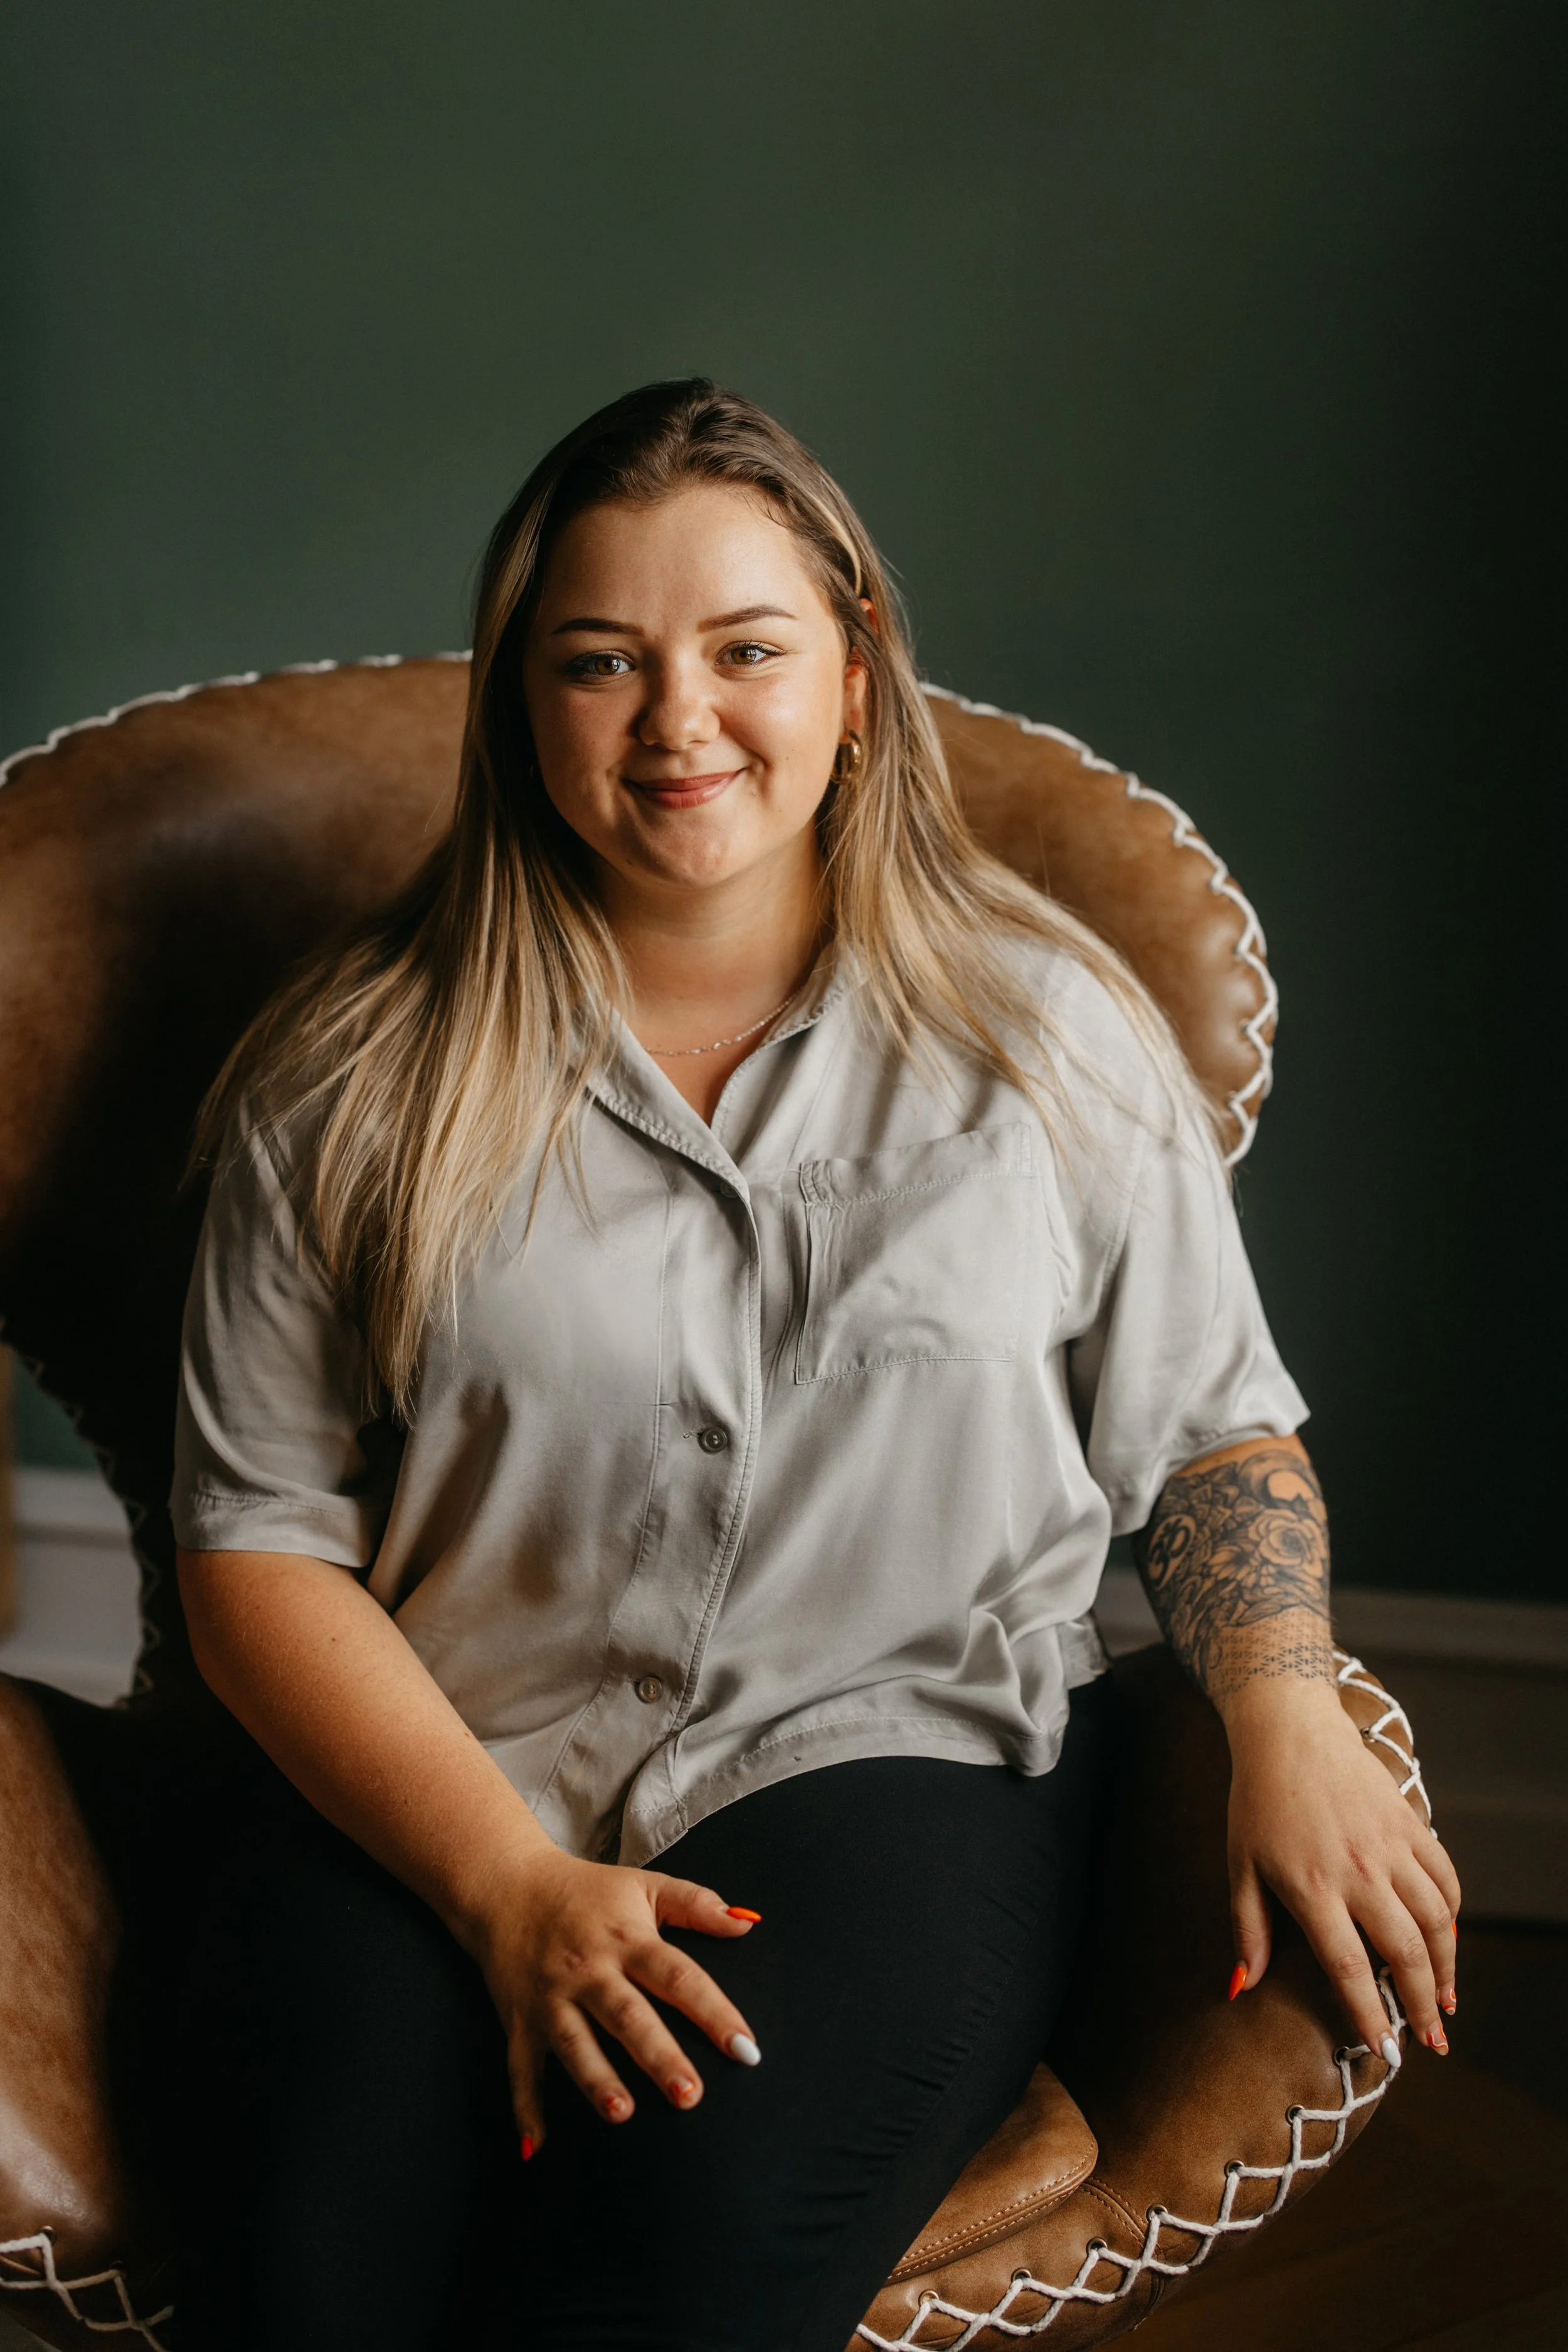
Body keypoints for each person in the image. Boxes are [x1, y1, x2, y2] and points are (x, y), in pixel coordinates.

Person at [169, 379, 1459, 2352]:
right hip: (442, 1770)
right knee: (322, 2260)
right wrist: (504, 1882)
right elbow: (257, 1535)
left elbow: (1212, 1432)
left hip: (887, 1757)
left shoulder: (1047, 1039)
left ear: (854, 678)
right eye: (600, 661)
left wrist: (1284, 1709)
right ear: (522, 705)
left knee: (675, 2265)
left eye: (744, 650)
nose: (676, 718)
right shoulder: (347, 1077)